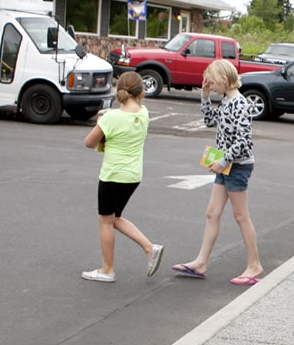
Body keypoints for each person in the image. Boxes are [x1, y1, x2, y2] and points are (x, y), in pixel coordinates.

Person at [171, 59, 264, 285]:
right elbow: (209, 121)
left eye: (211, 81)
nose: (209, 84)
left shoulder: (239, 104)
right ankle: (201, 262)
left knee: (241, 216)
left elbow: (244, 141)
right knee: (212, 212)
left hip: (236, 165)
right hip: (226, 164)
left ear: (223, 78)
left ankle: (254, 265)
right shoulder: (226, 101)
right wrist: (205, 97)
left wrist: (223, 160)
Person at [82, 70, 162, 282]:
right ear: (140, 93)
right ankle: (148, 247)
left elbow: (89, 142)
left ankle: (107, 269)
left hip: (112, 175)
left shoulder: (111, 118)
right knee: (114, 218)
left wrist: (101, 121)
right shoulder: (143, 114)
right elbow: (132, 113)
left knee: (105, 220)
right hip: (133, 176)